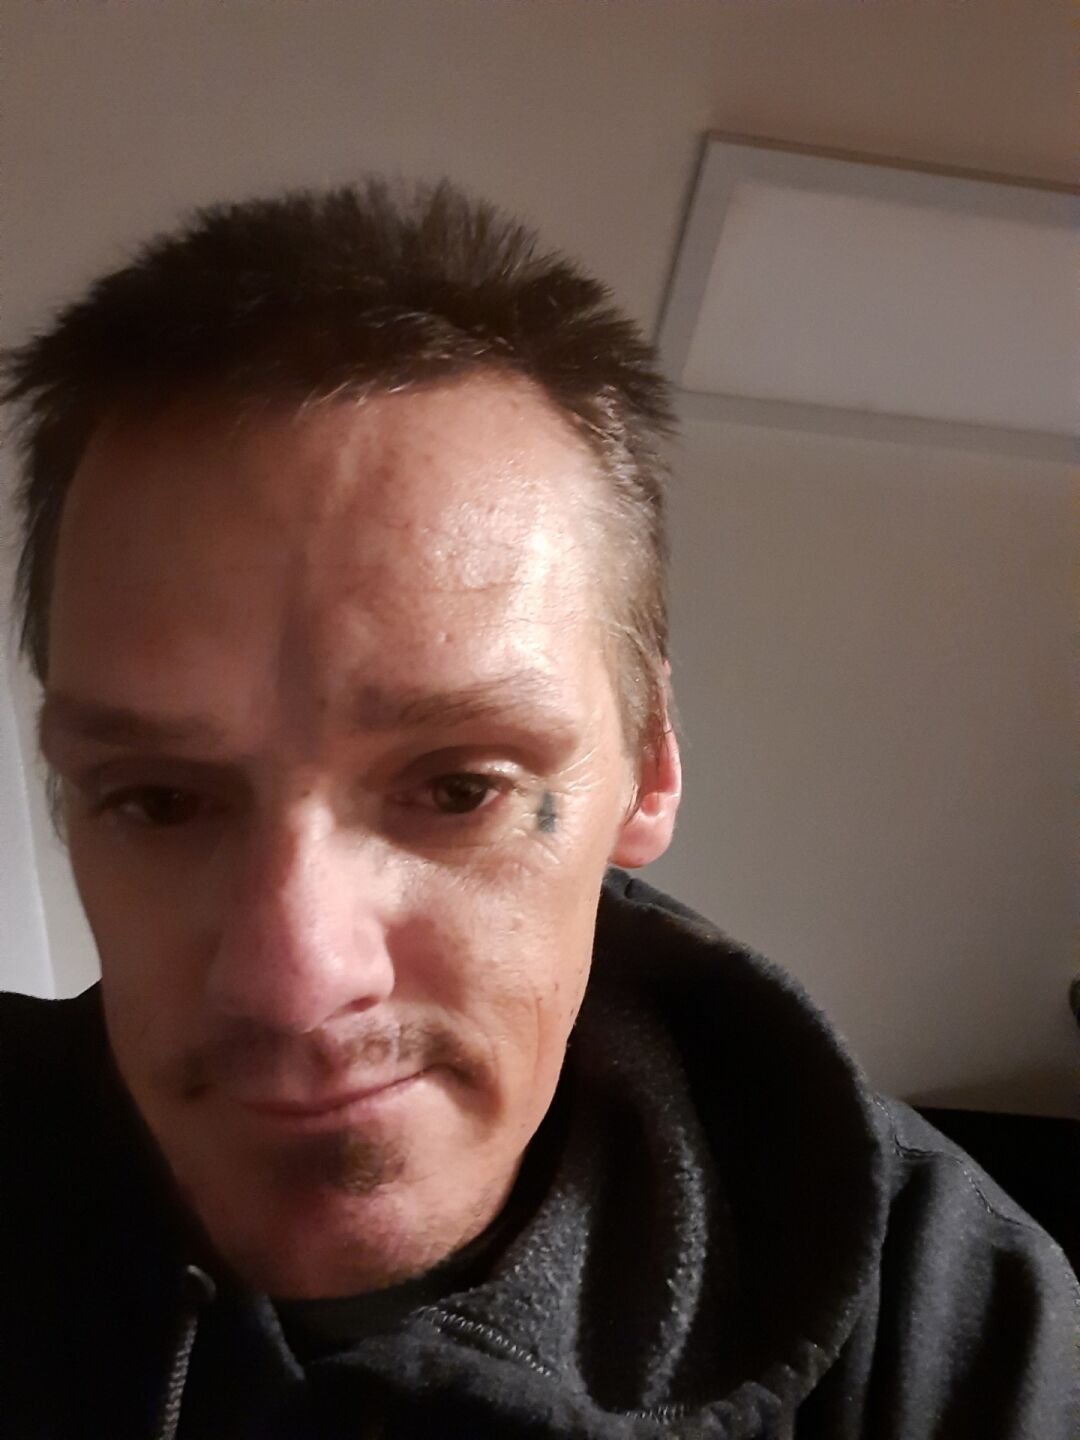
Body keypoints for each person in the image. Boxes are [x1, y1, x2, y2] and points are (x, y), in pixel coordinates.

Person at [1, 181, 1074, 1440]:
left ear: (650, 764)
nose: (293, 982)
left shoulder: (956, 1329)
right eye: (159, 801)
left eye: (460, 788)